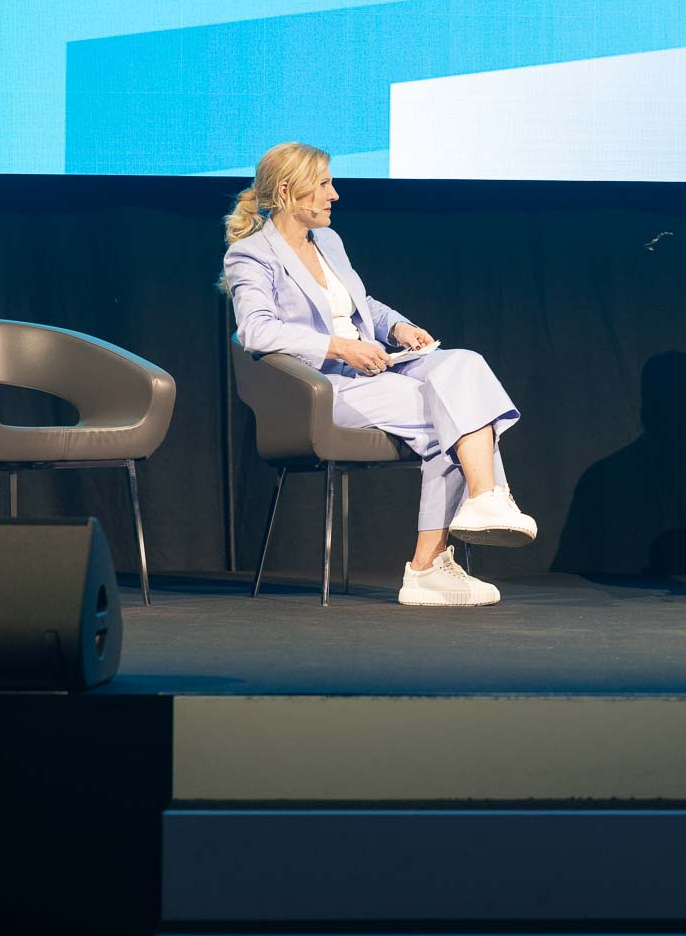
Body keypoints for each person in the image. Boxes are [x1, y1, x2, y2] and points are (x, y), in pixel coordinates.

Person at [221, 142, 536, 605]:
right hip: (322, 386)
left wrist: (398, 327)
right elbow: (255, 330)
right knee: (449, 416)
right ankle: (430, 565)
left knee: (465, 364)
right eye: (323, 184)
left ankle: (483, 498)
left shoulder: (327, 241)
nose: (334, 195)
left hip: (375, 367)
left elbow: (360, 303)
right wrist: (341, 347)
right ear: (287, 191)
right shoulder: (250, 255)